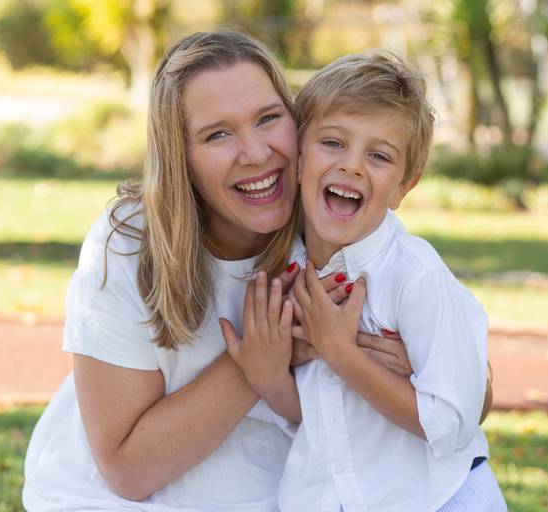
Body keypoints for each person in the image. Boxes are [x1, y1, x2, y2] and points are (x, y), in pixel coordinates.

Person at [22, 31, 415, 511]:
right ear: (180, 158)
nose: (254, 153)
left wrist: (411, 365)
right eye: (218, 134)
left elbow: (471, 393)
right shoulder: (129, 244)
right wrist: (264, 355)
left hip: (276, 492)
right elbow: (126, 470)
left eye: (269, 119)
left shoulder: (334, 218)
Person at [221, 52, 506, 511]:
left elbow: (451, 424)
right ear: (297, 159)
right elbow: (318, 413)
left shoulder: (415, 279)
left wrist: (339, 351)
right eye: (333, 143)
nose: (352, 165)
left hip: (441, 499)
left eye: (378, 155)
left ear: (402, 187)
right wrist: (266, 376)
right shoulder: (284, 271)